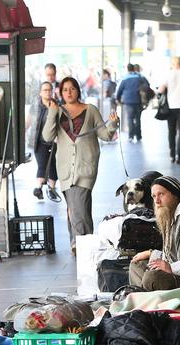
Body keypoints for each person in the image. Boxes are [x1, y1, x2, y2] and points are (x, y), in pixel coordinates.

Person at [42, 76, 119, 255]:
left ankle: (84, 243)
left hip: (85, 166)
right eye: (65, 89)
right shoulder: (57, 111)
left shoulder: (90, 110)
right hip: (65, 168)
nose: (69, 92)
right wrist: (52, 113)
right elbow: (47, 136)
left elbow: (105, 135)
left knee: (80, 205)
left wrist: (113, 123)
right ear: (60, 93)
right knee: (73, 207)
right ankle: (77, 243)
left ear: (78, 90)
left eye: (72, 88)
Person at [32, 81, 61, 202]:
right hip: (39, 141)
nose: (48, 92)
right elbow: (29, 120)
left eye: (50, 90)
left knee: (53, 164)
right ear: (40, 92)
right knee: (42, 164)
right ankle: (38, 188)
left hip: (54, 141)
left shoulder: (57, 105)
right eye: (45, 90)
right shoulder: (36, 106)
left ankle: (51, 188)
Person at [159, 56, 180, 164]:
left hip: (171, 107)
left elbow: (161, 89)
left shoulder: (169, 74)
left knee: (171, 131)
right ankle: (179, 155)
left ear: (172, 63)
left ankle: (172, 154)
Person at [116, 63, 143, 143]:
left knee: (130, 118)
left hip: (128, 101)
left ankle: (131, 136)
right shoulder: (139, 77)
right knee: (138, 119)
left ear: (127, 69)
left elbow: (120, 90)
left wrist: (118, 98)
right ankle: (138, 136)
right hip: (138, 100)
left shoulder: (125, 78)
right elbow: (146, 85)